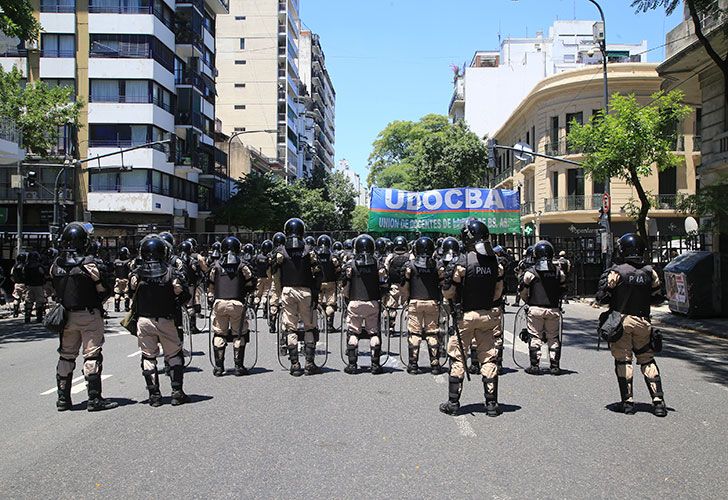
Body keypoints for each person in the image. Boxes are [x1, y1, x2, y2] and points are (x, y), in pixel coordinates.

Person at [596, 233, 667, 417]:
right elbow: (657, 298)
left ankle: (627, 403)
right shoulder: (650, 272)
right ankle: (658, 402)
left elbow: (602, 298)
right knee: (647, 359)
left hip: (622, 322)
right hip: (644, 321)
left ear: (623, 250)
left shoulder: (617, 272)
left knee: (624, 360)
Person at [440, 219, 504, 417]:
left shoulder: (463, 261)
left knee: (458, 357)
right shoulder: (495, 262)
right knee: (488, 357)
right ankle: (491, 404)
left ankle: (453, 403)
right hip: (487, 315)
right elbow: (498, 292)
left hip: (465, 317)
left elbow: (449, 293)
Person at [51, 222, 117, 412]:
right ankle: (94, 399)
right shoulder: (90, 264)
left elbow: (52, 287)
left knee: (66, 356)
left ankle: (63, 399)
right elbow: (104, 289)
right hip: (88, 314)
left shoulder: (56, 264)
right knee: (92, 355)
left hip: (65, 317)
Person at [129, 235, 190, 406]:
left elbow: (130, 293)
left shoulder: (137, 273)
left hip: (144, 320)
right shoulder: (171, 272)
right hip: (166, 319)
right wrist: (174, 303)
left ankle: (154, 395)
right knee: (174, 355)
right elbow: (184, 294)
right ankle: (177, 392)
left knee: (148, 357)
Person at [272, 219, 322, 376]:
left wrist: (280, 294)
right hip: (306, 291)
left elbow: (274, 274)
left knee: (291, 327)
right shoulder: (309, 251)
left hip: (287, 291)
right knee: (309, 326)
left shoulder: (280, 252)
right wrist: (316, 293)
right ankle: (309, 363)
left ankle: (294, 364)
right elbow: (319, 273)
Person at [208, 236, 256, 377]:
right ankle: (238, 366)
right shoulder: (242, 265)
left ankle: (219, 367)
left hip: (219, 303)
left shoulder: (216, 266)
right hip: (237, 303)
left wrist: (212, 299)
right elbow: (251, 280)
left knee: (219, 333)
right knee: (239, 334)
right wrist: (246, 291)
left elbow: (209, 283)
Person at [341, 234, 388, 375]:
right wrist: (382, 299)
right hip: (373, 302)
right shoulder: (378, 264)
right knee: (374, 332)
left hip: (355, 302)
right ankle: (375, 365)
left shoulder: (350, 264)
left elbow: (344, 285)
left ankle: (352, 364)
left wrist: (347, 299)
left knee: (353, 332)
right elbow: (384, 284)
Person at [519, 240, 567, 375]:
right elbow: (563, 290)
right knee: (553, 337)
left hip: (535, 309)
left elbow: (523, 290)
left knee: (535, 336)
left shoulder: (531, 273)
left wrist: (527, 301)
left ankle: (535, 365)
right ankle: (555, 366)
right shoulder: (559, 272)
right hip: (553, 310)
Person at [402, 236, 445, 375]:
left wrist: (406, 299)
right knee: (432, 333)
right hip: (432, 302)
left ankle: (413, 365)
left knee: (414, 333)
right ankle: (435, 365)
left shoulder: (410, 265)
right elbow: (443, 284)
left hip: (415, 302)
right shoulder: (437, 265)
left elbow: (405, 285)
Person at [384, 235, 410, 335]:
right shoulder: (410, 256)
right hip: (406, 285)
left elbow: (386, 269)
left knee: (391, 306)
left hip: (394, 285)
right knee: (408, 306)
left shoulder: (390, 257)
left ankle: (390, 328)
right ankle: (411, 328)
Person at [316, 234, 340, 332]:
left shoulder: (315, 254)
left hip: (318, 282)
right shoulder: (332, 255)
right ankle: (329, 325)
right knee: (331, 303)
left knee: (317, 303)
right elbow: (338, 268)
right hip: (330, 282)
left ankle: (316, 325)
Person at [179, 240, 202, 333]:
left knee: (180, 304)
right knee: (190, 305)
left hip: (180, 285)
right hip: (190, 285)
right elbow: (198, 273)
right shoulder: (192, 261)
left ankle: (180, 325)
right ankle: (192, 326)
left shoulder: (177, 260)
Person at [22, 251, 46, 323]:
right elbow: (43, 273)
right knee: (39, 301)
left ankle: (27, 317)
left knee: (29, 301)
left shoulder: (26, 266)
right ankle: (39, 317)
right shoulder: (39, 266)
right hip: (38, 285)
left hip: (29, 286)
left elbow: (23, 275)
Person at [253, 239, 274, 317]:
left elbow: (254, 266)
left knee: (258, 294)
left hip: (259, 278)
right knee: (266, 294)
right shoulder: (270, 258)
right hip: (268, 278)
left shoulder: (257, 257)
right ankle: (265, 310)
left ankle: (255, 305)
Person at [112, 247, 132, 312]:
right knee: (126, 294)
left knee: (117, 293)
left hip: (118, 279)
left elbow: (114, 271)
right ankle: (126, 307)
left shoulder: (116, 262)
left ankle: (116, 307)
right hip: (125, 280)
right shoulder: (128, 262)